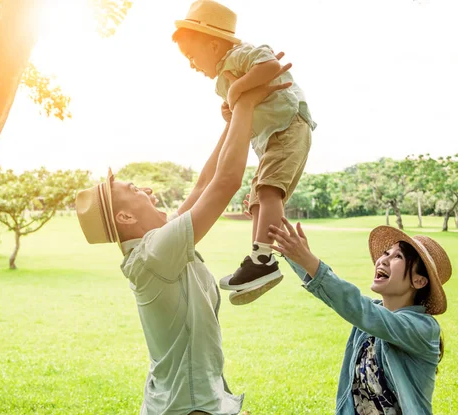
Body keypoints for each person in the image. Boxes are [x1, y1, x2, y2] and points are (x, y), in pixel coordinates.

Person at [75, 66, 292, 414]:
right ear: (125, 217)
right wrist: (247, 103)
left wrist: (233, 120)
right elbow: (225, 184)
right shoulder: (156, 254)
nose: (146, 189)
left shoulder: (157, 245)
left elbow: (204, 183)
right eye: (134, 189)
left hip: (187, 402)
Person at [172, 0, 317, 305]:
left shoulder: (242, 54)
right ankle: (257, 258)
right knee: (256, 200)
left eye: (191, 56)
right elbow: (241, 109)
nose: (191, 64)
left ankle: (263, 259)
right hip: (270, 139)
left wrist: (238, 92)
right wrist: (232, 107)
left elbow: (271, 67)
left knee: (268, 191)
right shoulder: (222, 81)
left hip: (289, 126)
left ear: (213, 45)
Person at [268, 216, 451, 414]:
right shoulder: (369, 318)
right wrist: (292, 252)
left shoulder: (423, 328)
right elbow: (335, 297)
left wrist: (307, 259)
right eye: (386, 253)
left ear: (419, 281)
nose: (384, 260)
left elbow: (358, 307)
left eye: (398, 257)